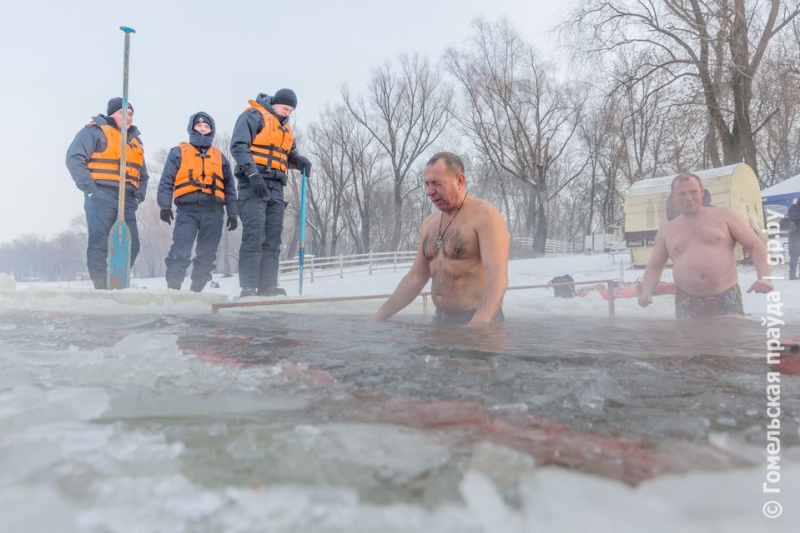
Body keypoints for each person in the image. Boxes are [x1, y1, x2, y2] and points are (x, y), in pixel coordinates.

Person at [370, 152, 509, 326]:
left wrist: (478, 324)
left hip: (478, 319)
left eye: (436, 183)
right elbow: (415, 278)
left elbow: (496, 274)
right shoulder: (430, 223)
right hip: (441, 320)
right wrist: (381, 315)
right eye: (427, 184)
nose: (429, 191)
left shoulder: (485, 215)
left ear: (460, 180)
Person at [638, 173, 772, 318]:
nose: (688, 198)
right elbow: (654, 267)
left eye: (693, 192)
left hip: (725, 297)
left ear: (702, 192)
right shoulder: (666, 230)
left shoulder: (725, 216)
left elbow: (756, 245)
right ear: (673, 197)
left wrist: (764, 277)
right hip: (687, 300)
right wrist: (646, 291)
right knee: (689, 340)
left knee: (731, 339)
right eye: (682, 194)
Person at [231, 89, 312, 297]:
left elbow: (288, 154)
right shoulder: (253, 116)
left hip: (276, 187)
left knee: (273, 239)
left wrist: (298, 160)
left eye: (291, 111)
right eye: (286, 108)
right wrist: (252, 174)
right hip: (253, 184)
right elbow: (239, 146)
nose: (288, 113)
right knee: (254, 236)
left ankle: (268, 287)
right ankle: (248, 287)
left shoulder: (285, 128)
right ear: (275, 103)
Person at [66, 97, 149, 290]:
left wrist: (138, 196)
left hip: (127, 199)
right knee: (99, 244)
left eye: (130, 114)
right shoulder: (93, 131)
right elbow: (74, 158)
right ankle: (101, 288)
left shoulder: (135, 141)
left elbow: (143, 175)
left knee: (132, 245)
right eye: (123, 113)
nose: (128, 117)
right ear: (112, 113)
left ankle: (118, 284)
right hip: (100, 195)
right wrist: (90, 189)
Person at [157, 112, 238, 292]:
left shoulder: (220, 157)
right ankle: (173, 289)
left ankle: (197, 290)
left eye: (206, 127)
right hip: (187, 211)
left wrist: (233, 213)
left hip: (214, 211)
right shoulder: (178, 153)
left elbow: (230, 187)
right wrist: (164, 205)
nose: (202, 129)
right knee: (180, 251)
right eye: (199, 126)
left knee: (207, 255)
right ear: (192, 128)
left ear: (211, 130)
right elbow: (166, 181)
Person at [788, 197, 800, 280]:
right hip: (795, 235)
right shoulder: (794, 207)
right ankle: (792, 274)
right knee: (794, 255)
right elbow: (793, 217)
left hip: (795, 234)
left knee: (794, 255)